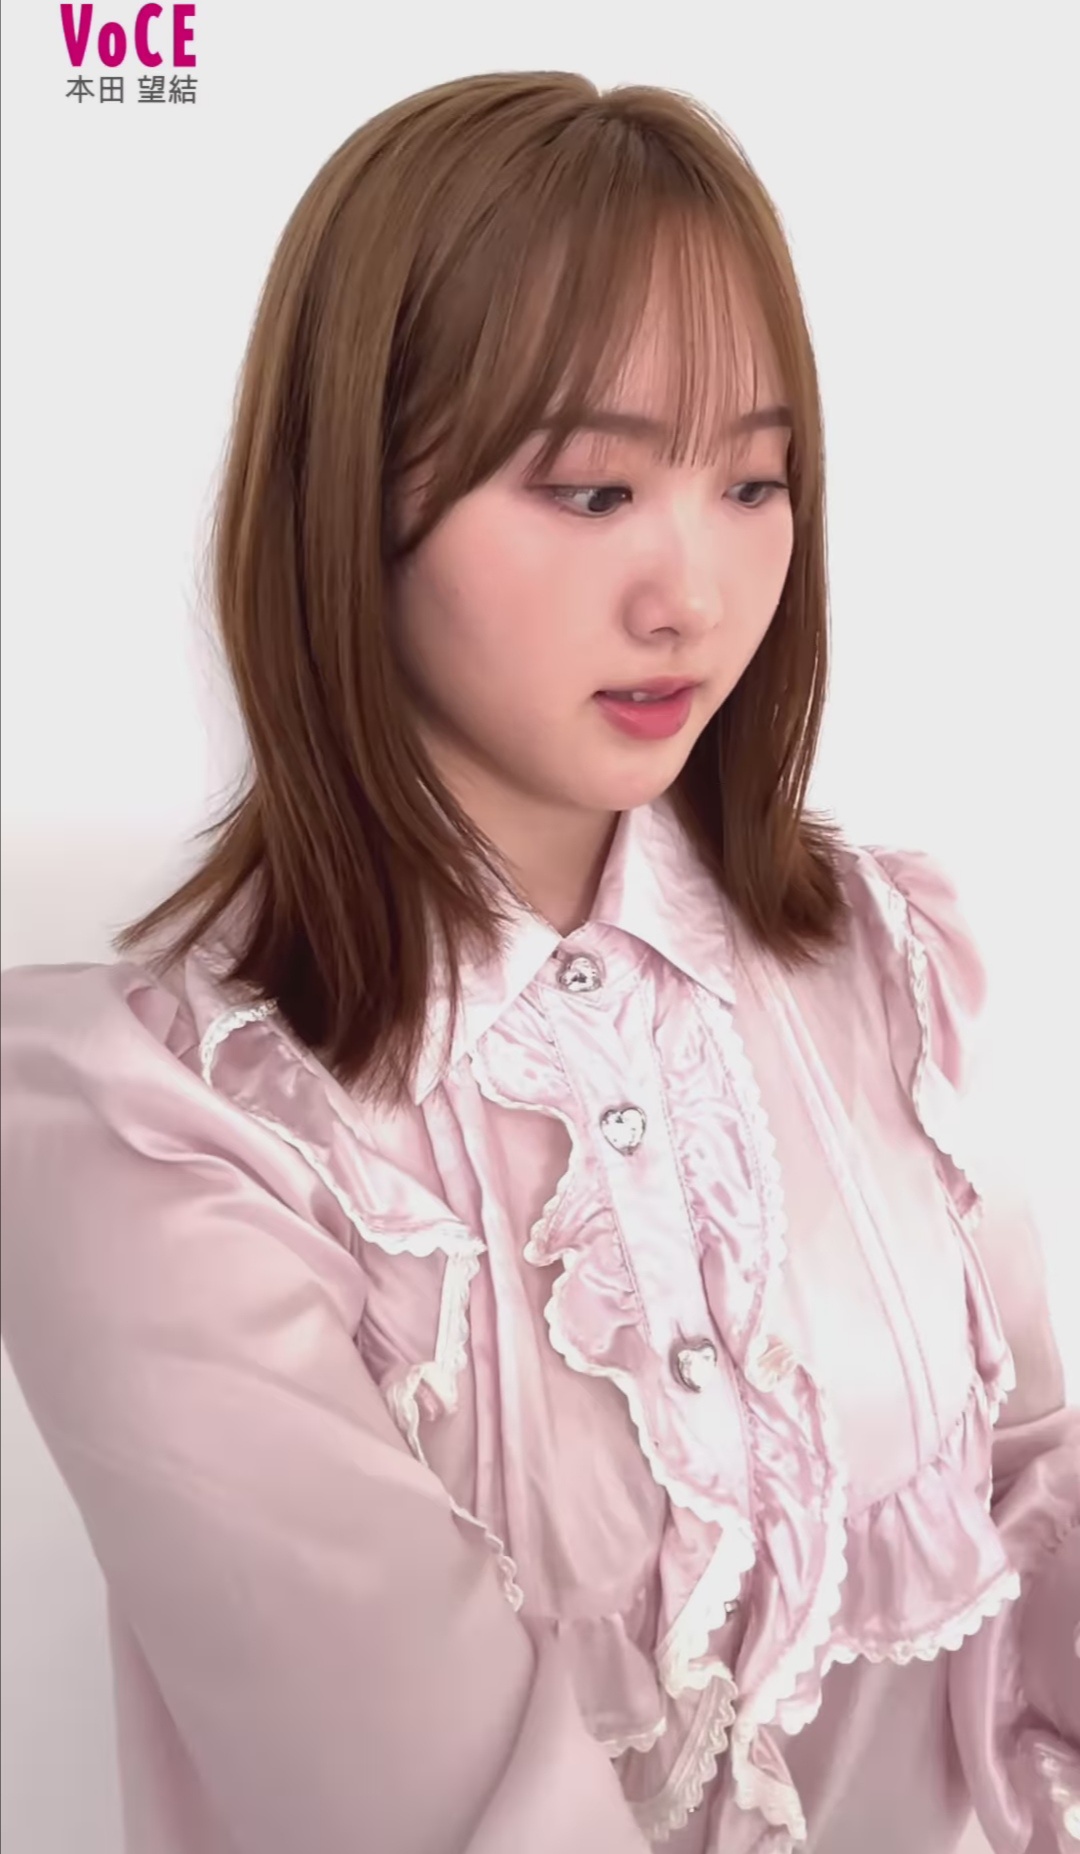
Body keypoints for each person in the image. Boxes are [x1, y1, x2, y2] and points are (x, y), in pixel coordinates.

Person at [1, 68, 1076, 1854]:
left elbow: (1023, 1487)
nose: (695, 595)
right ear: (356, 501)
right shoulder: (162, 1137)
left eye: (754, 481)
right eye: (591, 491)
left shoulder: (880, 960)